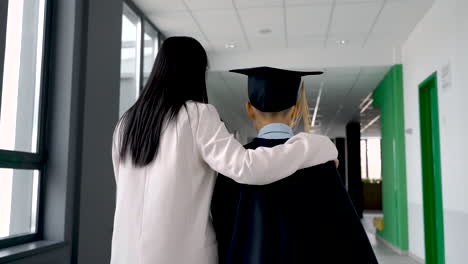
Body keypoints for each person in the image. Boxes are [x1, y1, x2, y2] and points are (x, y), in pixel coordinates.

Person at [110, 37, 338, 264]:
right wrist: (316, 146)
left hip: (125, 254)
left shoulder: (125, 124)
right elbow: (248, 167)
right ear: (196, 72)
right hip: (181, 255)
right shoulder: (195, 115)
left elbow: (123, 187)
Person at [211, 66, 378, 264]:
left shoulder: (234, 166)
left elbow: (222, 232)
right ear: (296, 110)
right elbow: (346, 236)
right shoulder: (319, 163)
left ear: (249, 110)